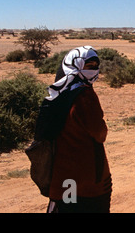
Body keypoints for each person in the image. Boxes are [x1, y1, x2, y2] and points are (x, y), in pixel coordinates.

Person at [46, 46, 112, 213]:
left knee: (68, 208)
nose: (93, 71)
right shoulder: (84, 95)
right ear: (75, 66)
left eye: (95, 67)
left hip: (64, 176)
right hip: (88, 179)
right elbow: (99, 133)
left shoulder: (57, 92)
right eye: (88, 66)